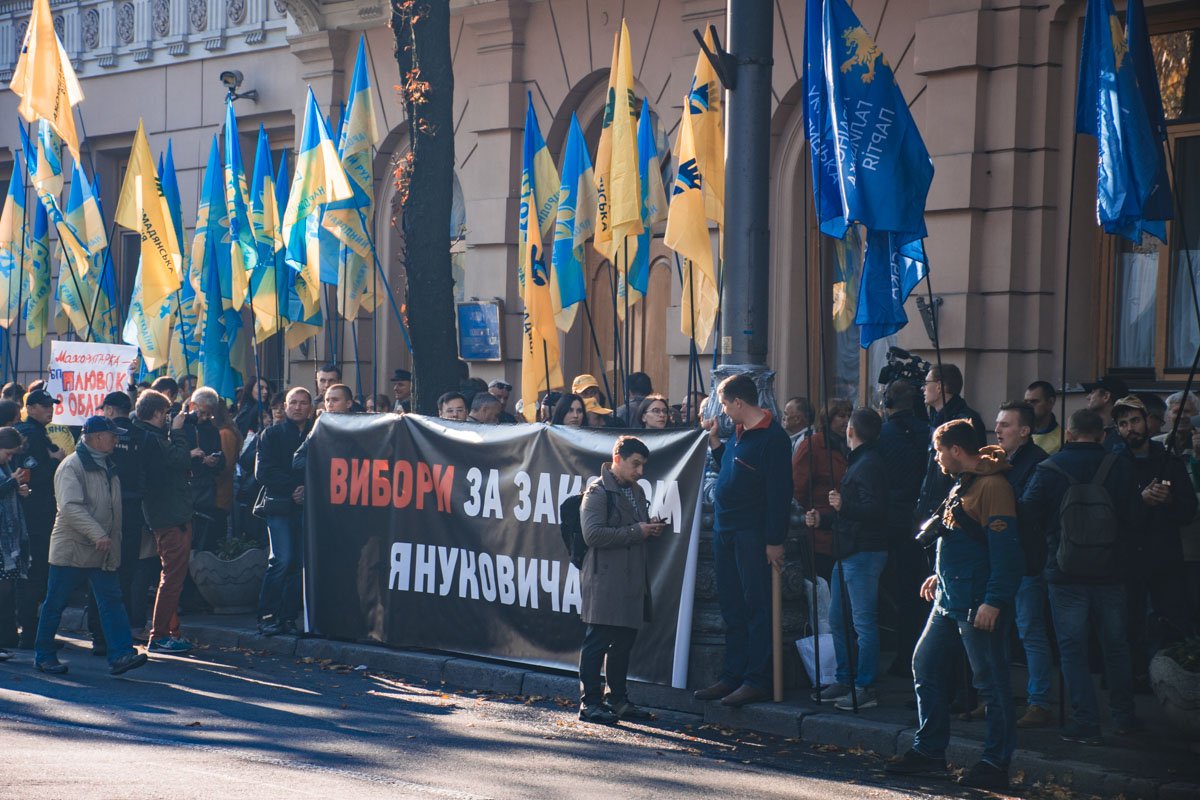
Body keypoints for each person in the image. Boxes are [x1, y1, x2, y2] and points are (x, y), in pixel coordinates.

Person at [888, 420, 1022, 791]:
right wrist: (938, 574)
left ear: (957, 450)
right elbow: (959, 537)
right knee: (925, 665)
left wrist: (994, 601)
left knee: (991, 684)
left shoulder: (994, 486)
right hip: (948, 599)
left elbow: (1005, 552)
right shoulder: (962, 481)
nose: (936, 456)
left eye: (938, 450)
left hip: (976, 603)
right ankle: (929, 751)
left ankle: (996, 761)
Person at [1020, 408, 1141, 744]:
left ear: (1070, 433)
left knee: (1072, 648)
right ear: (1102, 435)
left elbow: (1027, 512)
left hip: (1064, 570)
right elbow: (1134, 518)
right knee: (1115, 646)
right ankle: (1124, 717)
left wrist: (1051, 539)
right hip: (1111, 570)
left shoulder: (1048, 468)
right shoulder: (1120, 467)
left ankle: (1085, 720)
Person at [694, 374, 793, 707]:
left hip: (752, 533)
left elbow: (780, 492)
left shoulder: (774, 438)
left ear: (738, 402)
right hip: (727, 529)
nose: (722, 411)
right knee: (731, 606)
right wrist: (715, 444)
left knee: (756, 606)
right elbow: (732, 471)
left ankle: (756, 678)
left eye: (724, 404)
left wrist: (774, 540)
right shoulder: (737, 434)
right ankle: (732, 675)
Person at [32, 417, 148, 677]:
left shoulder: (107, 464)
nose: (116, 440)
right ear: (96, 437)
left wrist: (108, 541)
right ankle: (43, 655)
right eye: (112, 435)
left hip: (101, 548)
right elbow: (71, 507)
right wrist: (98, 534)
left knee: (112, 602)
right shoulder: (71, 467)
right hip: (73, 548)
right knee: (55, 604)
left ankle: (120, 655)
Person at [805, 408, 888, 710]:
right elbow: (852, 512)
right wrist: (825, 520)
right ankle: (845, 677)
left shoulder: (868, 464)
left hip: (864, 552)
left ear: (851, 430)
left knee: (863, 622)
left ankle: (864, 685)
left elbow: (875, 510)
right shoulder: (861, 461)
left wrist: (842, 506)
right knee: (839, 620)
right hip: (850, 550)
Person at [577, 436, 663, 724]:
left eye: (643, 465)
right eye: (635, 464)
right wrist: (638, 531)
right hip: (605, 578)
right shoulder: (598, 491)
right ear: (617, 459)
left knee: (623, 643)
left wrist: (649, 527)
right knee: (598, 641)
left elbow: (633, 526)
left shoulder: (635, 491)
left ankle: (617, 699)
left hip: (630, 578)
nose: (640, 471)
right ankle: (590, 703)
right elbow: (593, 535)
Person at [1113, 395, 1197, 683]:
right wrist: (1141, 501)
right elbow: (1110, 513)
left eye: (1134, 421)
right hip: (1127, 563)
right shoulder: (1111, 463)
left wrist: (1169, 499)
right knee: (1130, 625)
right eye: (1123, 423)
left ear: (1147, 422)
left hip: (1165, 561)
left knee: (1172, 623)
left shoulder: (1168, 461)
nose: (1130, 429)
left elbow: (1188, 511)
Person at [994, 401, 1054, 728]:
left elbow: (1028, 513)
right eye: (998, 423)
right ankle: (995, 699)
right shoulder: (998, 460)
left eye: (1005, 425)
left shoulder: (1038, 464)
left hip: (1027, 559)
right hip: (1001, 558)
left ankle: (1039, 701)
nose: (998, 429)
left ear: (1025, 431)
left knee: (1030, 630)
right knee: (996, 631)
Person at [133, 389, 196, 655]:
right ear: (158, 413)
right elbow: (179, 459)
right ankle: (159, 635)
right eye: (167, 413)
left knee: (168, 575)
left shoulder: (145, 436)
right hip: (171, 517)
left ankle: (170, 631)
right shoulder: (154, 440)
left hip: (163, 516)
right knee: (172, 578)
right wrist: (180, 431)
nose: (170, 419)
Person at [877, 380, 930, 675]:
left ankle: (903, 656)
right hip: (919, 517)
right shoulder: (925, 432)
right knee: (917, 589)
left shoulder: (883, 435)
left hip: (892, 518)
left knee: (896, 589)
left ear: (888, 403)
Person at [256, 387, 312, 636]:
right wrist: (294, 487)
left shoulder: (316, 433)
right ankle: (267, 615)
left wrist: (306, 488)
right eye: (293, 402)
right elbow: (263, 472)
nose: (298, 407)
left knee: (298, 563)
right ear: (286, 406)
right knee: (281, 559)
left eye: (303, 403)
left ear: (310, 407)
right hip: (279, 505)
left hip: (308, 506)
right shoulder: (272, 434)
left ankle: (288, 617)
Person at [99, 391, 155, 632]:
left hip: (105, 509)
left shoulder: (99, 437)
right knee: (128, 568)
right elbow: (154, 474)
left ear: (110, 410)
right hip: (134, 508)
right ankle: (125, 626)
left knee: (102, 569)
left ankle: (101, 630)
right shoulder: (144, 437)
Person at [14, 388, 65, 648]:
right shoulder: (31, 435)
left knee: (33, 572)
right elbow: (33, 475)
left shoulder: (33, 432)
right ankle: (31, 634)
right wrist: (56, 461)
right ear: (30, 407)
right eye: (44, 405)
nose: (50, 409)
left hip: (33, 513)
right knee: (37, 572)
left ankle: (29, 631)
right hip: (36, 513)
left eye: (51, 405)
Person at [916, 363, 987, 523]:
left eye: (926, 383)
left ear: (939, 386)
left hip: (953, 513)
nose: (923, 388)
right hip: (930, 511)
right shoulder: (935, 420)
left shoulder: (965, 421)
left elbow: (969, 468)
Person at [792, 398, 851, 579]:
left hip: (845, 531)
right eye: (841, 416)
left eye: (849, 415)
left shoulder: (849, 445)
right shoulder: (813, 445)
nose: (846, 420)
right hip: (819, 534)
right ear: (829, 418)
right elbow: (798, 488)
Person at [179, 388, 228, 553]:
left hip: (205, 491)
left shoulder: (212, 430)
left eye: (209, 415)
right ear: (192, 405)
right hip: (183, 488)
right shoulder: (179, 425)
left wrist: (214, 461)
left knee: (204, 539)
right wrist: (189, 455)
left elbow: (222, 460)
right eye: (203, 413)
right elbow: (168, 456)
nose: (206, 418)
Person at [0, 427, 30, 658]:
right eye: (8, 453)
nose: (10, 458)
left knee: (6, 590)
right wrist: (12, 484)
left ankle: (7, 635)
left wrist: (18, 489)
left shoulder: (5, 467)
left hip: (7, 541)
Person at [1082, 374, 1128, 451]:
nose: (1088, 397)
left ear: (1106, 397)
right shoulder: (1085, 427)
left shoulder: (1125, 432)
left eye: (1092, 392)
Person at [1024, 381, 1062, 456]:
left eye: (1034, 402)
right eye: (1026, 402)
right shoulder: (1017, 433)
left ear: (1050, 402)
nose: (1028, 406)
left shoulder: (1063, 439)